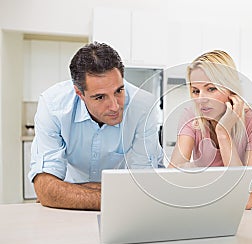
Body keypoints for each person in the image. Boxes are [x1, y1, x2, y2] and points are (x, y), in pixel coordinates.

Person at [29, 42, 164, 211]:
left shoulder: (144, 106)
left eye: (119, 91)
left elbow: (143, 189)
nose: (115, 106)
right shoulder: (53, 105)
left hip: (120, 210)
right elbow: (46, 189)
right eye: (100, 97)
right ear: (80, 94)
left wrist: (64, 193)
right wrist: (53, 194)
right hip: (75, 209)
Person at [168, 50, 252, 210]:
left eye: (211, 88)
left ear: (231, 89)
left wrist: (223, 133)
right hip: (202, 209)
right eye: (195, 91)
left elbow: (248, 200)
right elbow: (171, 180)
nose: (201, 99)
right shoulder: (191, 115)